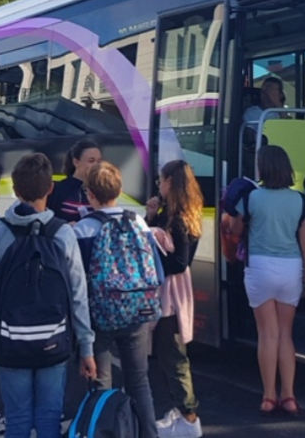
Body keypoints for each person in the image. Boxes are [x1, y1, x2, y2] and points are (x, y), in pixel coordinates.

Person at [0, 153, 97, 438]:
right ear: (51, 188)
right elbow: (78, 293)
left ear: (15, 191)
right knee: (49, 417)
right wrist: (87, 348)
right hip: (54, 341)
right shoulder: (63, 233)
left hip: (11, 342)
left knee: (17, 418)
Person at [74, 161, 160, 438]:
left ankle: (107, 432)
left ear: (90, 194)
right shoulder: (139, 222)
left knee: (101, 384)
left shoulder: (84, 228)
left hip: (99, 316)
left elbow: (77, 280)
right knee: (139, 381)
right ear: (119, 189)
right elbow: (155, 271)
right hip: (137, 311)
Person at [226, 145, 305, 416]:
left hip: (260, 268)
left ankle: (268, 396)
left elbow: (237, 230)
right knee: (286, 334)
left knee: (267, 334)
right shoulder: (300, 201)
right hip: (291, 269)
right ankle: (289, 396)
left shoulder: (251, 198)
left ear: (263, 168)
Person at [145, 160, 203, 438]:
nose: (159, 185)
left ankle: (189, 416)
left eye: (161, 180)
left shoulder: (179, 219)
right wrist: (151, 216)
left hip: (172, 293)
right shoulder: (176, 213)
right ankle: (180, 412)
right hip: (172, 291)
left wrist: (157, 257)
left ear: (171, 182)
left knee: (173, 355)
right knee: (169, 353)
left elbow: (180, 262)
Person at [48, 139, 101, 223]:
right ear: (76, 162)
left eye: (98, 161)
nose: (96, 165)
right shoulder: (58, 189)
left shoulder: (101, 190)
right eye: (91, 161)